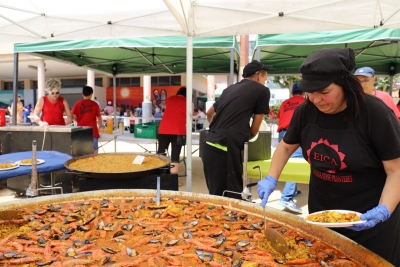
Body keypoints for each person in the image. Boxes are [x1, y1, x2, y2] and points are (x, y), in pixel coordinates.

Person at [257, 48, 400, 265]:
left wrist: (384, 209)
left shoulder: (375, 113)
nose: (316, 99)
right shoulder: (306, 110)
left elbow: (396, 169)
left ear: (345, 84)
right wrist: (271, 178)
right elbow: (286, 147)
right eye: (309, 92)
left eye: (324, 92)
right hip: (322, 214)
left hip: (369, 218)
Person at [202, 60, 271, 199]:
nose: (265, 82)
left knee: (215, 195)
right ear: (259, 76)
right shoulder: (262, 91)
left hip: (208, 144)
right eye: (265, 78)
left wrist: (219, 129)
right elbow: (254, 130)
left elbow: (209, 114)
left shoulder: (229, 89)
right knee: (231, 197)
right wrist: (241, 135)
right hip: (226, 148)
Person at [275, 83, 305, 213]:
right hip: (296, 133)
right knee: (296, 163)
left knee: (290, 162)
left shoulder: (285, 103)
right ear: (303, 92)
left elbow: (279, 120)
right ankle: (286, 197)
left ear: (292, 93)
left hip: (282, 132)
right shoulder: (306, 102)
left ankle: (293, 190)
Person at [157, 87, 188, 174]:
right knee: (175, 155)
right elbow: (190, 116)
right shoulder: (187, 101)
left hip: (164, 129)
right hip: (179, 130)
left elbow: (164, 109)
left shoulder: (170, 99)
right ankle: (173, 180)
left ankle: (160, 177)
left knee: (161, 153)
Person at [72, 86, 103, 154]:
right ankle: (94, 163)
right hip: (93, 131)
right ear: (91, 94)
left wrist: (78, 121)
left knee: (81, 150)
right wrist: (101, 125)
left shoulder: (77, 104)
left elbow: (73, 117)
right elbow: (99, 117)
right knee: (94, 149)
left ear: (82, 94)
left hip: (80, 130)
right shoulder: (95, 104)